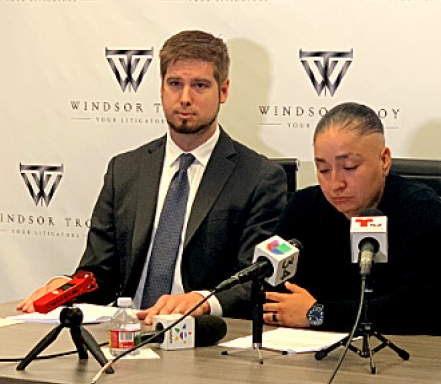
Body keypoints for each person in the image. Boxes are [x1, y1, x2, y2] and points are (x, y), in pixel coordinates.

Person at [17, 30, 287, 322]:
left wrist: (202, 301)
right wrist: (66, 288)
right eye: (174, 84)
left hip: (204, 337)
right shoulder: (124, 170)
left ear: (223, 91)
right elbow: (99, 273)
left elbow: (255, 279)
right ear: (161, 88)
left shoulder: (259, 177)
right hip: (125, 331)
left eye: (199, 85)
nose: (185, 98)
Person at [264, 102, 441, 334]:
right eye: (323, 170)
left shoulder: (418, 208)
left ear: (384, 160)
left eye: (350, 167)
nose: (335, 184)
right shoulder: (303, 206)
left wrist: (317, 314)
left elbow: (417, 309)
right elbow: (271, 289)